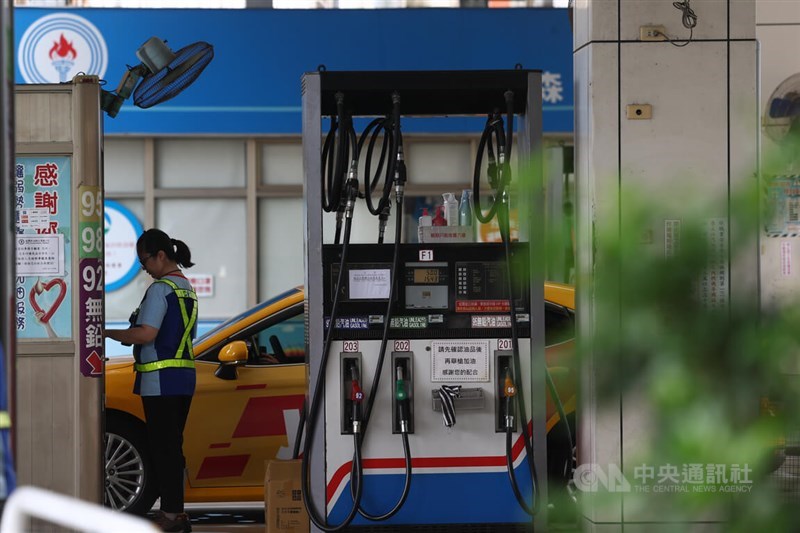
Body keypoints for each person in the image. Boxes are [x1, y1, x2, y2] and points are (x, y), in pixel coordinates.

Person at [105, 229, 198, 533]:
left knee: (164, 448)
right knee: (172, 446)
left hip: (161, 381)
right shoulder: (186, 287)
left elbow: (147, 333)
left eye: (145, 261)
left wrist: (107, 334)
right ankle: (174, 511)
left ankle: (172, 516)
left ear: (160, 255)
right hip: (183, 379)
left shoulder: (161, 289)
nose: (144, 268)